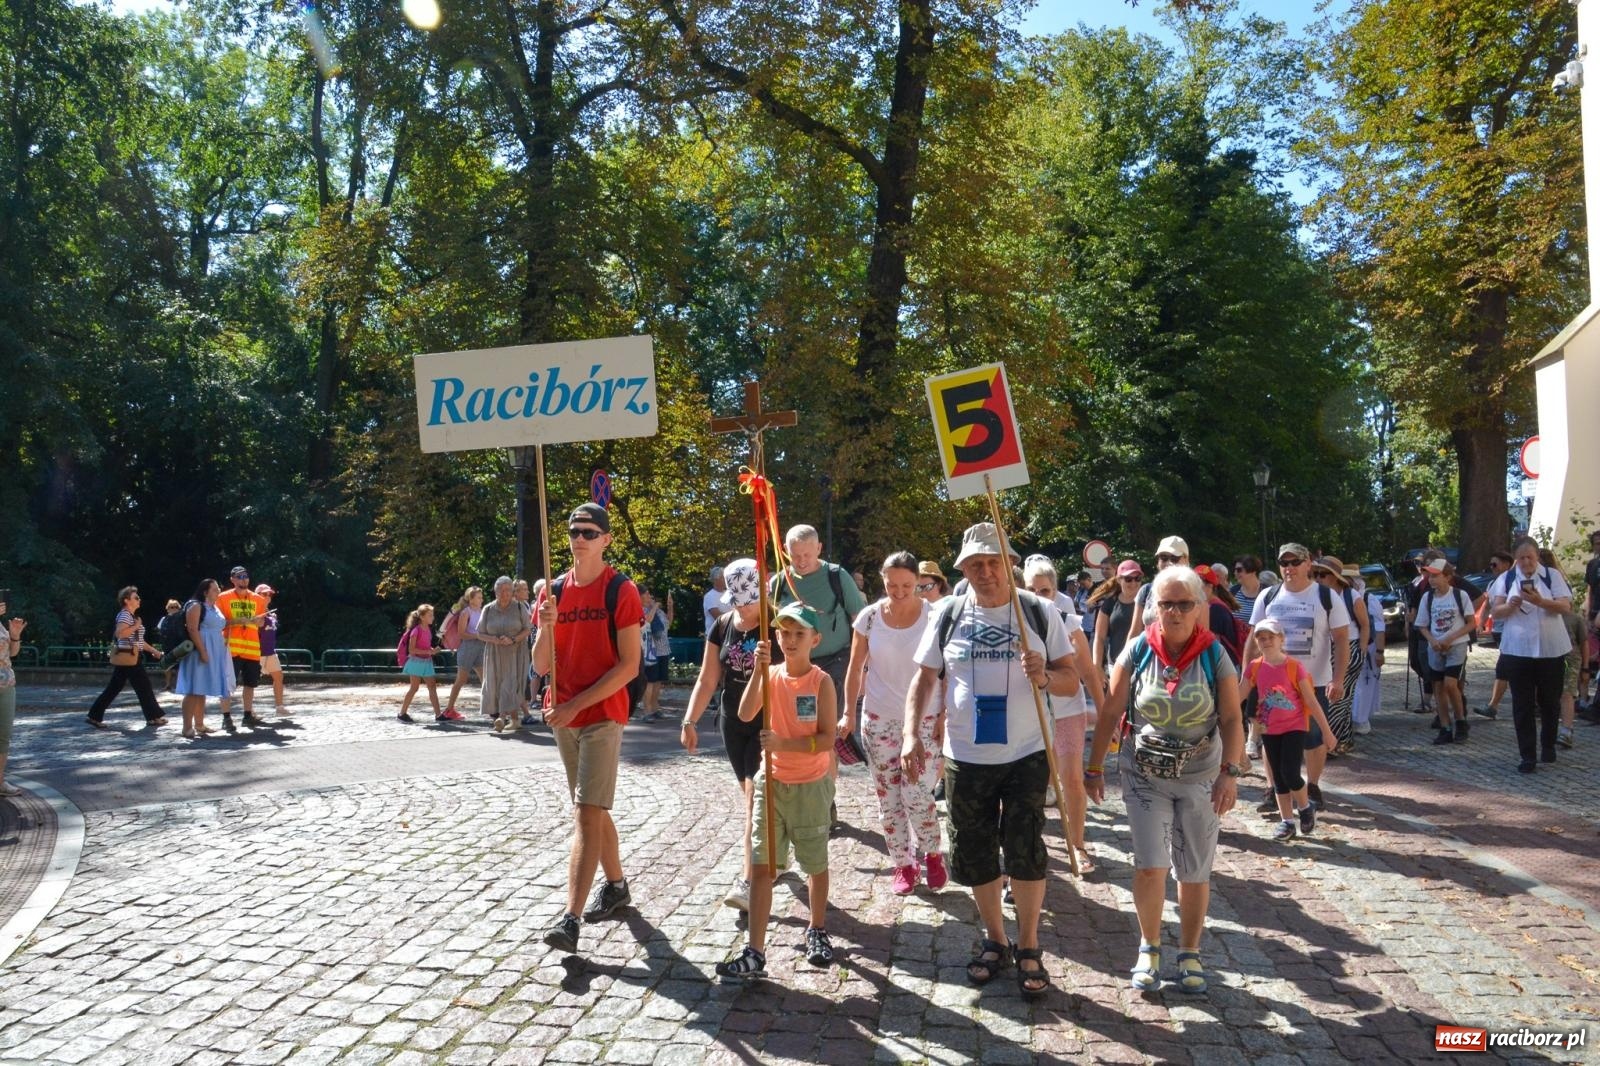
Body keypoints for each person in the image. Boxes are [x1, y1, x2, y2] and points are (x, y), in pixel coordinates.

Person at [903, 522, 1079, 1000]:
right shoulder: (947, 613)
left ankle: (1029, 944)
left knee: (1025, 848)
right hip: (966, 756)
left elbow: (1071, 680)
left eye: (993, 561)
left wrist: (1045, 677)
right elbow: (924, 679)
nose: (985, 571)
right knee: (975, 851)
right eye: (975, 564)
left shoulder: (1040, 613)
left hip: (1026, 752)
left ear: (1010, 565)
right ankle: (994, 939)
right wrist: (909, 733)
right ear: (963, 569)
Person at [1086, 565, 1245, 995]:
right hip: (1144, 774)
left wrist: (1230, 773)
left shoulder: (1215, 654)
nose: (1174, 612)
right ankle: (1149, 947)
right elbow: (1110, 710)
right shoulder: (1137, 650)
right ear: (1154, 607)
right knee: (1150, 865)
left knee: (1194, 869)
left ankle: (1190, 953)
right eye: (1166, 603)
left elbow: (1232, 717)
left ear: (1198, 607)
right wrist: (1094, 767)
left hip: (1201, 775)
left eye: (1183, 603)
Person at [535, 503, 643, 957]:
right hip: (563, 716)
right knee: (593, 810)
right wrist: (545, 627)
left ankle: (571, 919)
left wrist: (579, 702)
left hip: (602, 714)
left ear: (606, 540)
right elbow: (541, 665)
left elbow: (629, 666)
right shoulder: (554, 591)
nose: (579, 537)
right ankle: (617, 887)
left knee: (584, 813)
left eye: (589, 531)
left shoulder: (621, 590)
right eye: (574, 530)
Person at [715, 602, 839, 983]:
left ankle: (817, 928)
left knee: (814, 864)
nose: (790, 640)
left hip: (810, 786)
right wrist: (758, 671)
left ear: (815, 640)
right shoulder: (770, 675)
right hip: (771, 783)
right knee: (761, 867)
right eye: (784, 633)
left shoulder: (821, 682)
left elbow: (827, 738)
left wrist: (784, 743)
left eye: (799, 633)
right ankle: (755, 950)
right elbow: (747, 713)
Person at [842, 552, 944, 896]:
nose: (899, 591)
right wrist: (848, 712)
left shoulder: (935, 615)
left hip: (925, 719)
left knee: (917, 792)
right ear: (882, 580)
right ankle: (903, 863)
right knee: (889, 797)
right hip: (879, 719)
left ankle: (931, 852)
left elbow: (949, 670)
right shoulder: (870, 619)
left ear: (918, 582)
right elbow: (855, 668)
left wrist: (945, 716)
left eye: (907, 584)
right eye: (891, 584)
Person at [681, 558, 763, 911]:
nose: (743, 607)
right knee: (752, 797)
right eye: (739, 600)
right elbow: (707, 677)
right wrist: (689, 720)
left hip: (768, 724)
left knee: (752, 803)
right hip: (733, 723)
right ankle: (770, 857)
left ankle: (749, 881)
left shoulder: (779, 624)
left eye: (749, 599)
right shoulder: (724, 626)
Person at [1243, 543, 1349, 812]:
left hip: (1315, 680)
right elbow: (1253, 639)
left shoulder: (1326, 597)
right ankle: (1273, 788)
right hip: (1272, 683)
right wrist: (1248, 675)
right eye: (1284, 563)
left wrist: (1339, 679)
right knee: (1271, 736)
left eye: (1295, 562)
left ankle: (1312, 786)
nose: (1289, 568)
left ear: (1308, 564)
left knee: (1313, 738)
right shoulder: (1268, 596)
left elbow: (1341, 639)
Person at [1025, 558, 1106, 873]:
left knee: (1071, 778)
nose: (1039, 596)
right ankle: (1029, 847)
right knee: (1029, 783)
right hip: (1028, 715)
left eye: (1045, 590)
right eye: (1032, 590)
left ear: (1055, 591)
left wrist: (1105, 715)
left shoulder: (1070, 624)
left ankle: (1078, 846)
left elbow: (1088, 671)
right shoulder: (1015, 624)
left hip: (1067, 711)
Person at [1241, 618, 1333, 841]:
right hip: (1269, 729)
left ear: (1281, 639)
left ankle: (1304, 808)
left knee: (1290, 772)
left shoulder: (1294, 667)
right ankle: (1287, 822)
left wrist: (1327, 732)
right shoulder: (1254, 667)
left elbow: (1311, 702)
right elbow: (1238, 695)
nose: (1266, 642)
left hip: (1294, 726)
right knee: (1279, 778)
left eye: (1270, 637)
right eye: (1261, 638)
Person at [1489, 536, 1574, 773]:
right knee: (1522, 704)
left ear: (1537, 556)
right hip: (1518, 649)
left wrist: (1540, 601)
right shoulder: (1507, 578)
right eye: (1521, 558)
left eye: (1530, 557)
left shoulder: (1551, 576)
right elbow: (1496, 611)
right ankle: (1527, 755)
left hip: (1550, 649)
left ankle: (1548, 744)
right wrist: (1511, 605)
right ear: (1515, 558)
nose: (1526, 562)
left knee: (1549, 700)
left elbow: (1565, 606)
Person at [768, 524, 868, 699]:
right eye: (795, 555)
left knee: (831, 722)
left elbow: (860, 621)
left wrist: (862, 668)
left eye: (807, 554)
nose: (801, 561)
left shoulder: (837, 576)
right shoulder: (778, 583)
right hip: (794, 666)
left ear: (819, 548)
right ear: (785, 550)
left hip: (834, 662)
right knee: (801, 721)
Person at [86, 586, 167, 729]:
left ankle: (94, 715)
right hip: (129, 656)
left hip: (130, 655)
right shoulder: (125, 615)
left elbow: (138, 640)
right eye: (136, 598)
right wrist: (136, 626)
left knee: (116, 687)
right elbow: (120, 634)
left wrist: (154, 651)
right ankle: (153, 717)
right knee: (143, 686)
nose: (139, 600)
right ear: (126, 600)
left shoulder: (132, 617)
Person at [1312, 555, 1368, 753]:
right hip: (1326, 650)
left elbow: (1365, 625)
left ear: (1335, 577)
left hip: (1349, 648)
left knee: (1339, 697)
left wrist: (1360, 651)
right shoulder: (1317, 595)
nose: (1318, 578)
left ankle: (1333, 744)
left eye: (1323, 574)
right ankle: (1343, 739)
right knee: (1334, 696)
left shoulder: (1351, 596)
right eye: (1315, 574)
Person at [1417, 559, 1476, 745]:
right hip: (1435, 647)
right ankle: (1445, 726)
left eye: (1436, 576)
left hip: (1456, 645)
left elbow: (1472, 623)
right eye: (1430, 576)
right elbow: (1422, 625)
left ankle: (1461, 721)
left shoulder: (1460, 595)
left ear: (1447, 577)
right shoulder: (1428, 598)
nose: (1431, 579)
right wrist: (1433, 641)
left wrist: (1451, 638)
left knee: (1451, 684)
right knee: (1438, 688)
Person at [176, 578, 233, 738]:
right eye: (215, 589)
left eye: (218, 589)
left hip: (212, 651)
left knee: (201, 689)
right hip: (198, 652)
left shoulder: (214, 608)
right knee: (193, 689)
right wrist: (203, 651)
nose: (218, 591)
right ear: (205, 591)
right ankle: (187, 727)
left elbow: (219, 624)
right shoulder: (195, 605)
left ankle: (199, 724)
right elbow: (193, 630)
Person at [216, 565, 268, 730]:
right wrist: (239, 621)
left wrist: (257, 620)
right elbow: (218, 622)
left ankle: (247, 716)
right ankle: (226, 718)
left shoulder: (258, 599)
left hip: (252, 649)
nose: (243, 579)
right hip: (231, 648)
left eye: (245, 576)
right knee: (227, 684)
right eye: (239, 576)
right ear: (232, 579)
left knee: (250, 684)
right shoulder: (223, 598)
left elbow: (261, 622)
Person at [1119, 535, 1192, 650]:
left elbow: (1202, 634)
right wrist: (1125, 663)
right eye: (1163, 558)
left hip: (1185, 660)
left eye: (1174, 558)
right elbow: (1134, 633)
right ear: (1158, 562)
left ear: (1186, 560)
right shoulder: (1146, 591)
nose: (1168, 563)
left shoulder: (1195, 592)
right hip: (1149, 657)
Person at [479, 576, 531, 733]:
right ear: (495, 592)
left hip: (515, 652)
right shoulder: (488, 609)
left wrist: (513, 639)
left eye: (508, 589)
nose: (505, 593)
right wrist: (494, 639)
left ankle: (502, 717)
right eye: (501, 590)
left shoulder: (520, 607)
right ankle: (514, 720)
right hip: (494, 653)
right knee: (495, 684)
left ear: (512, 591)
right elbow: (479, 633)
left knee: (510, 683)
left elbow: (527, 629)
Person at [1474, 551, 1516, 718]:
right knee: (1508, 669)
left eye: (1495, 564)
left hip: (1510, 631)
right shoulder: (1493, 583)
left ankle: (1493, 706)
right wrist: (1481, 623)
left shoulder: (1512, 581)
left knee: (1504, 669)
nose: (1492, 568)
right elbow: (1487, 605)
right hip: (1498, 632)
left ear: (1507, 564)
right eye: (1490, 565)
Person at [1351, 569, 1387, 735]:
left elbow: (1379, 626)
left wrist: (1379, 651)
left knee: (1365, 683)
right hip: (1350, 645)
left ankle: (1361, 719)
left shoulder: (1368, 599)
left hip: (1369, 645)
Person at [1093, 560, 1144, 674]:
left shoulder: (1149, 602)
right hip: (1115, 665)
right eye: (1128, 579)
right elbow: (1099, 637)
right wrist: (1097, 666)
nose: (1133, 583)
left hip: (1143, 664)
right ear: (1119, 580)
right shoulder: (1110, 603)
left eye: (1137, 578)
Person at [442, 586, 485, 720]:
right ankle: (449, 709)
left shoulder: (482, 611)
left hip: (480, 648)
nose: (481, 599)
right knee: (461, 680)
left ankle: (492, 709)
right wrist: (478, 636)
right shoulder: (466, 612)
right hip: (467, 648)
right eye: (478, 597)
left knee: (485, 680)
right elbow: (462, 634)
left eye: (481, 597)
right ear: (471, 599)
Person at [396, 604, 445, 722]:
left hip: (426, 661)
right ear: (422, 617)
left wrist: (432, 650)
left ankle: (438, 715)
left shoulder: (428, 629)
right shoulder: (416, 630)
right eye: (430, 615)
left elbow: (425, 646)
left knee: (432, 686)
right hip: (416, 662)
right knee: (414, 688)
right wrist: (429, 651)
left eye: (432, 615)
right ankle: (402, 713)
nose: (432, 617)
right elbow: (412, 650)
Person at [0, 591, 26, 797]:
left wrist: (15, 635)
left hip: (6, 684)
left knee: (3, 737)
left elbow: (13, 653)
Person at [1193, 565, 1243, 665]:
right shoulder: (1213, 605)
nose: (1194, 588)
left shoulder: (1215, 609)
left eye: (1198, 584)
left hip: (1223, 666)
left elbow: (1209, 643)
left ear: (1210, 586)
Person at [638, 587, 673, 721]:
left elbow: (668, 623)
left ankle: (654, 708)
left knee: (658, 680)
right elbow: (647, 620)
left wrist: (670, 608)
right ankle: (646, 711)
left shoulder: (659, 612)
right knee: (650, 681)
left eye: (652, 597)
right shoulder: (644, 610)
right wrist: (654, 607)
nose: (651, 599)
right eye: (648, 596)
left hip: (664, 650)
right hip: (650, 651)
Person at [255, 584, 287, 716]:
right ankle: (249, 710)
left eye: (269, 594)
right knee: (251, 681)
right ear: (257, 595)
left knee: (279, 676)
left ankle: (280, 708)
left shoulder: (271, 614)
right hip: (257, 653)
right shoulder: (256, 613)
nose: (268, 596)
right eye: (264, 594)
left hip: (270, 652)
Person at [1231, 556, 1265, 625]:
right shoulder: (1233, 591)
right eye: (1234, 570)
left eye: (1239, 570)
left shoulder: (1266, 592)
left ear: (1253, 571)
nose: (1235, 573)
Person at [704, 566, 726, 634]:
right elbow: (718, 616)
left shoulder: (729, 594)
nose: (725, 579)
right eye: (723, 577)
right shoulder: (709, 596)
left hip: (727, 634)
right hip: (713, 636)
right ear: (715, 580)